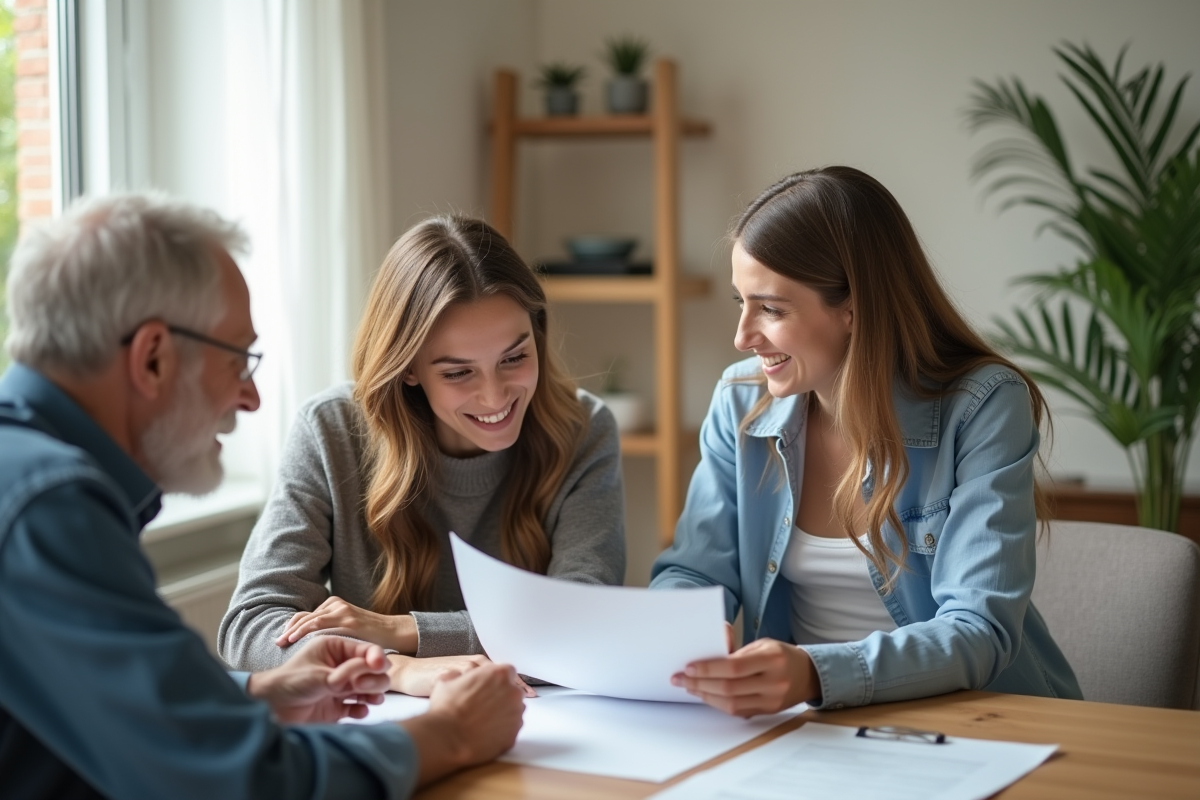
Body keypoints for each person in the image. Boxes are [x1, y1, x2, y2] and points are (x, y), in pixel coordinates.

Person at [0, 193, 525, 800]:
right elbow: (240, 781)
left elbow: (92, 704)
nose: (250, 399)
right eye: (238, 361)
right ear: (151, 359)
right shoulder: (46, 507)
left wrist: (254, 693)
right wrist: (451, 733)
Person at [652, 166, 1082, 716]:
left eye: (772, 309)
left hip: (976, 720)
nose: (742, 337)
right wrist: (688, 631)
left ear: (854, 307)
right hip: (807, 727)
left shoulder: (983, 407)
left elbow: (979, 628)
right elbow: (693, 570)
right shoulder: (741, 402)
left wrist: (815, 673)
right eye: (742, 302)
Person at [219, 214, 626, 696]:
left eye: (514, 358)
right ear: (409, 368)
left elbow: (585, 620)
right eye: (459, 373)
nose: (495, 397)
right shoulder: (331, 431)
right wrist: (394, 669)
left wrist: (400, 629)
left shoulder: (583, 431)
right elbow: (251, 625)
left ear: (536, 334)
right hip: (381, 722)